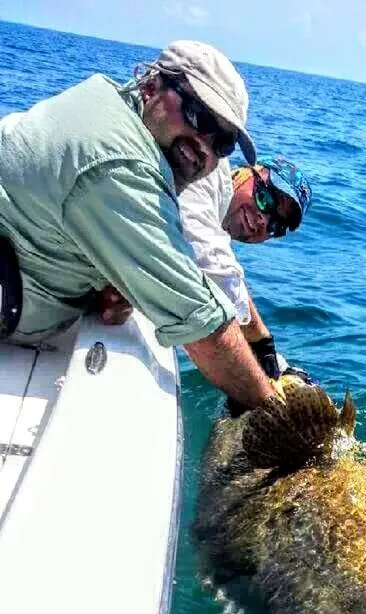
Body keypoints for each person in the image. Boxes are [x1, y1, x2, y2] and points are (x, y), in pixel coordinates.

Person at [0, 40, 277, 410]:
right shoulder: (119, 167)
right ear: (151, 85)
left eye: (222, 143)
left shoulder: (107, 103)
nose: (204, 146)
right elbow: (200, 325)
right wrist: (274, 408)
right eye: (199, 116)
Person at [179, 154, 313, 388]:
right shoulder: (204, 174)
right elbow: (214, 267)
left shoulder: (215, 220)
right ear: (247, 171)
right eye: (265, 199)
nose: (263, 220)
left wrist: (269, 353)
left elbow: (226, 273)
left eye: (275, 225)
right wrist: (267, 395)